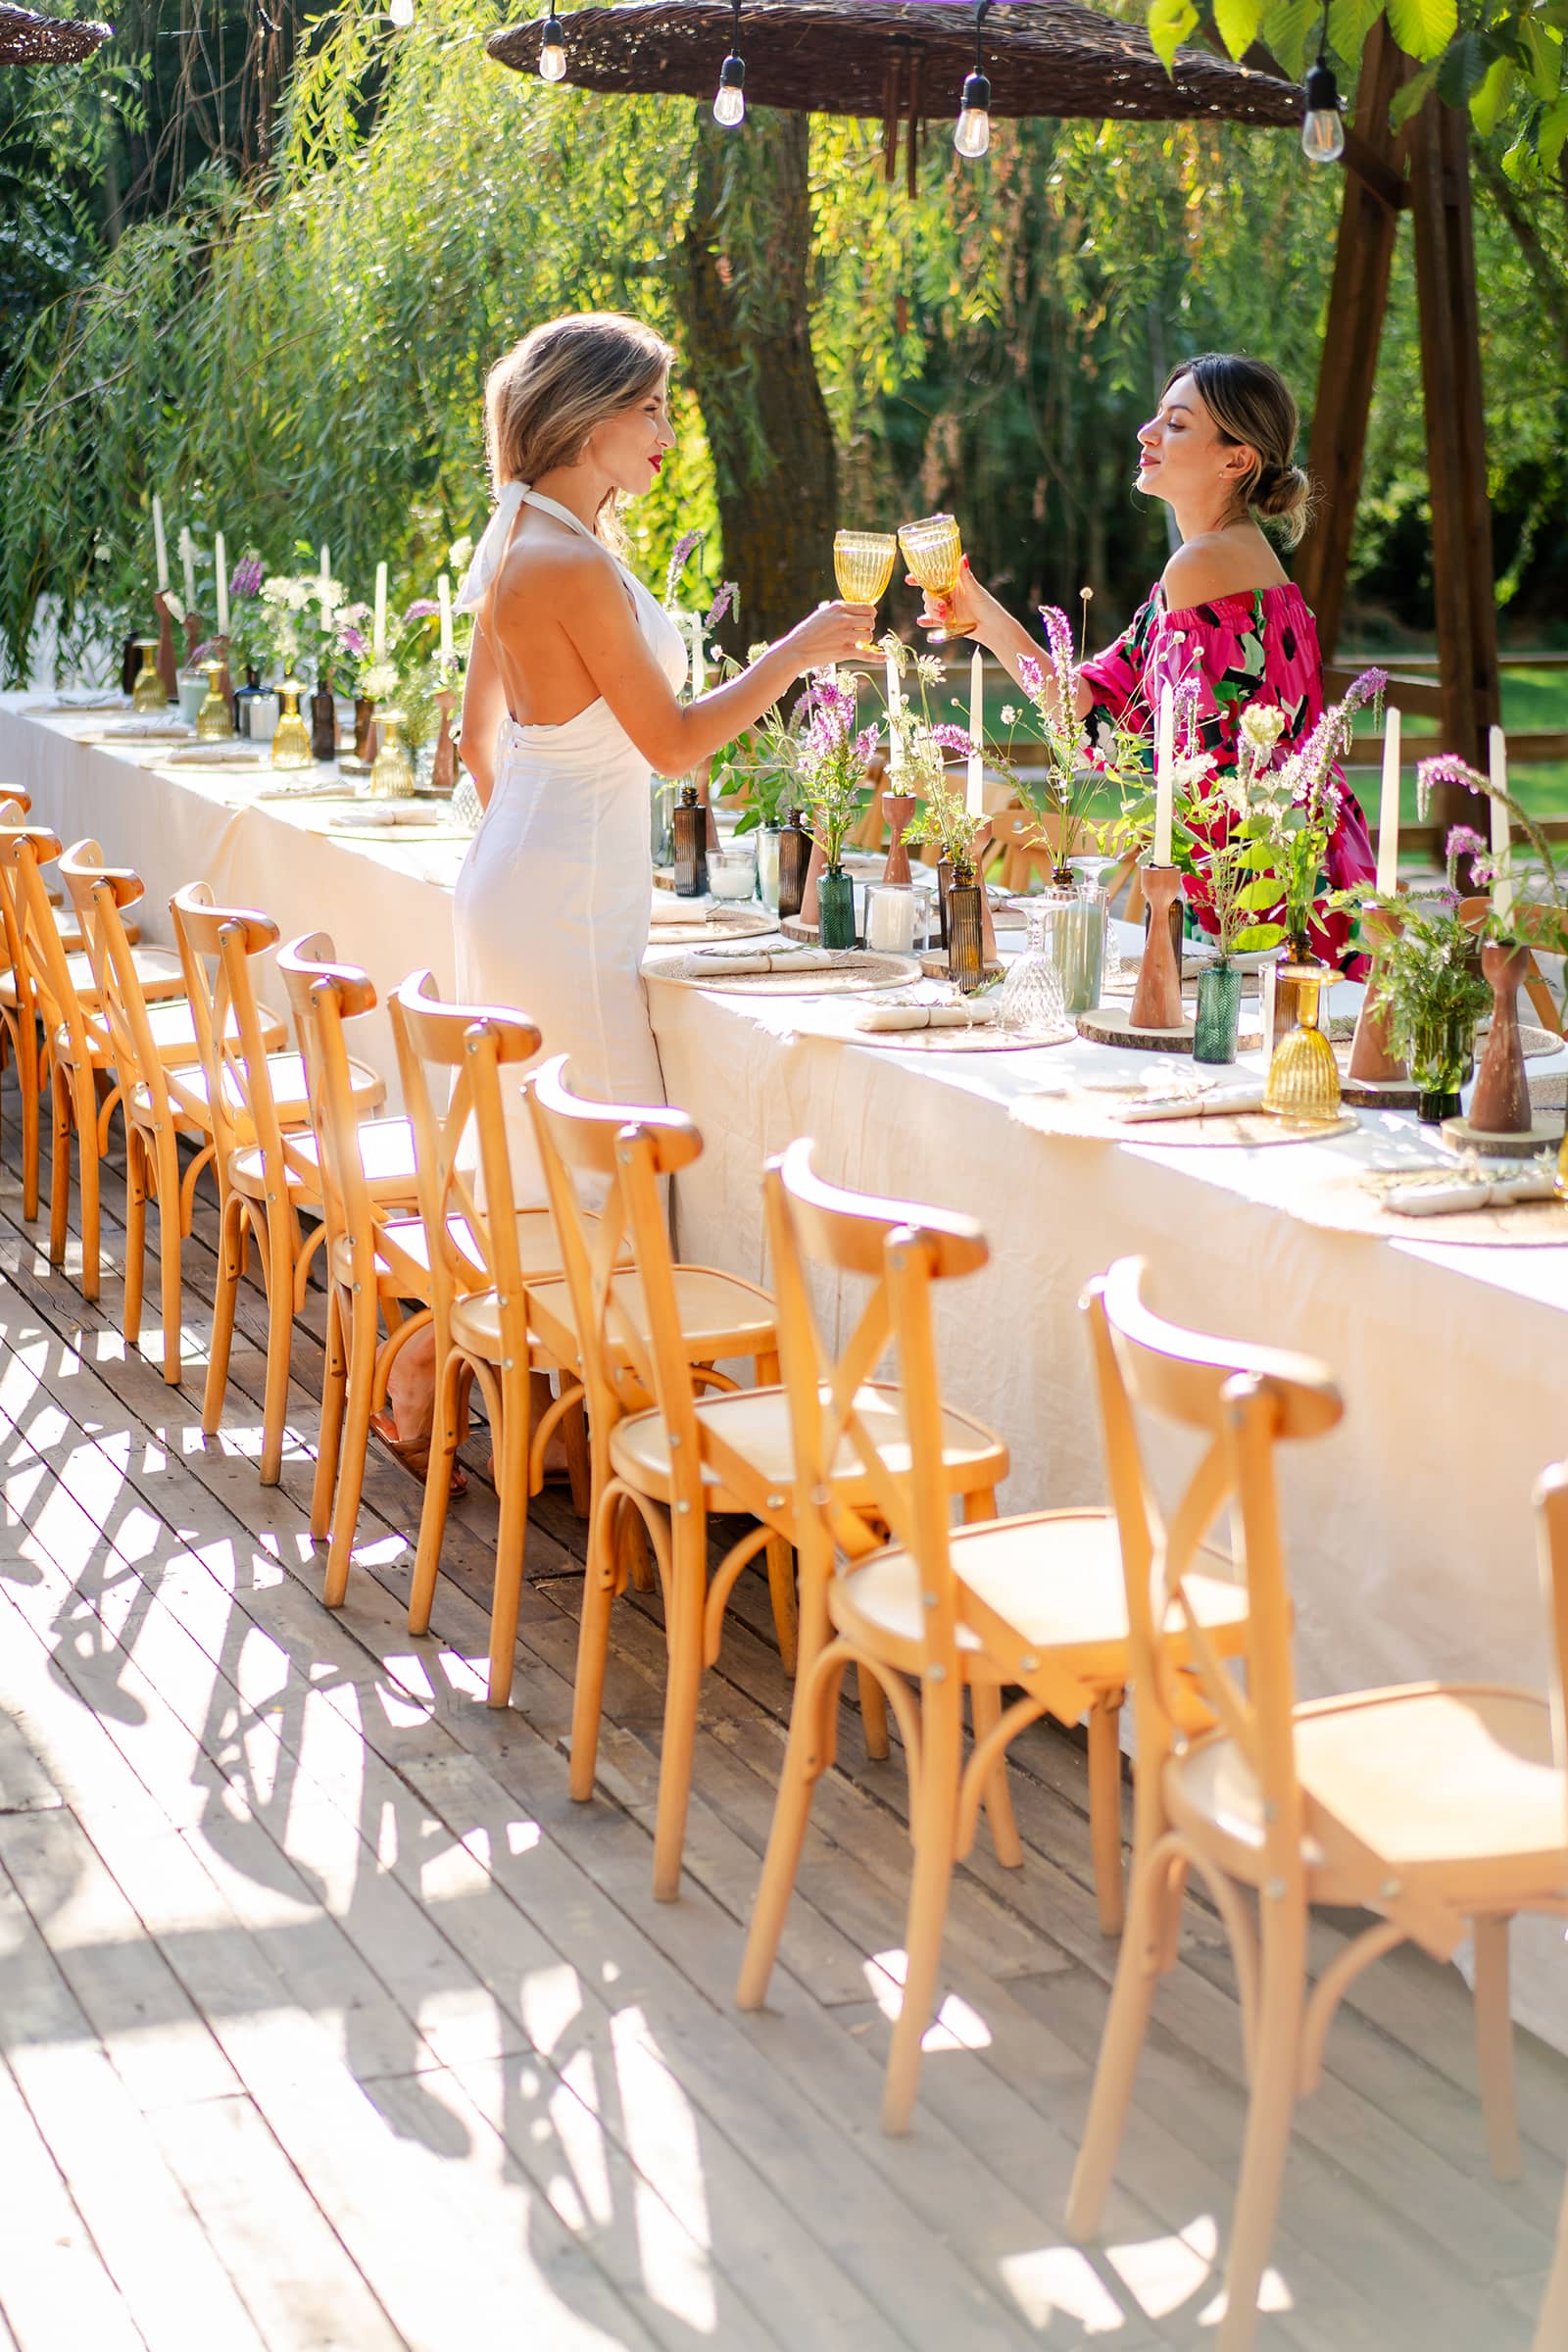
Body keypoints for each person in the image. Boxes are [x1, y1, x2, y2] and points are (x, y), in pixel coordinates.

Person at [375, 311, 872, 1479]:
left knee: (550, 1154)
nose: (663, 431)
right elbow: (673, 745)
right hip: (560, 898)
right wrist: (796, 652)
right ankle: (570, 1419)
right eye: (649, 409)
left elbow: (479, 739)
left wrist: (549, 830)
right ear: (588, 417)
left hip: (528, 873)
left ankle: (535, 1404)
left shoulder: (525, 535)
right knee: (618, 1162)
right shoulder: (563, 560)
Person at [916, 352, 1376, 963]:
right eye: (1158, 416)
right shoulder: (1219, 560)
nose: (1146, 433)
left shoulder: (1201, 566)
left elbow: (1157, 754)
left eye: (1176, 423)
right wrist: (984, 618)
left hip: (1256, 873)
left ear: (1237, 460)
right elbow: (1091, 708)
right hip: (1288, 852)